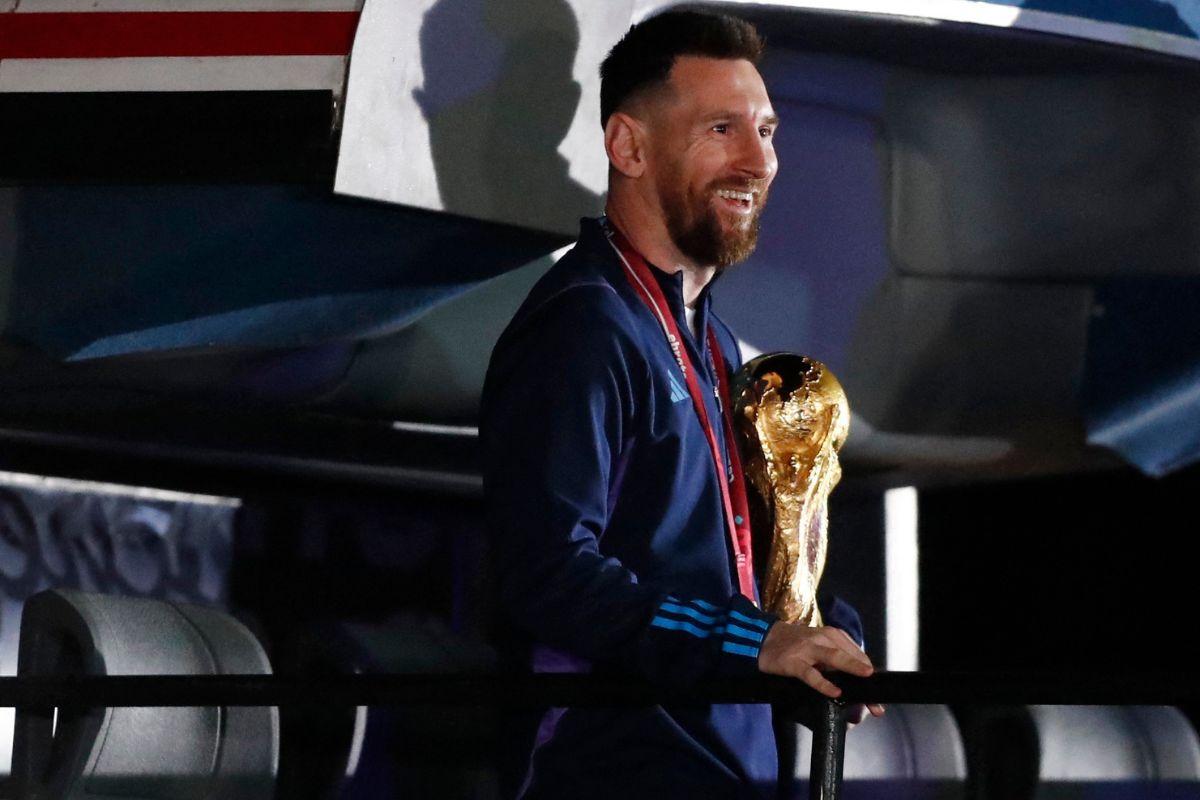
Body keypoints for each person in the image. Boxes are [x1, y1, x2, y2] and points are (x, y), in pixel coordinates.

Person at [481, 10, 882, 799]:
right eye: (722, 129)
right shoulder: (584, 326)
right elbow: (548, 573)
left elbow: (729, 579)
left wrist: (814, 627)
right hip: (608, 775)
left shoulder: (719, 348)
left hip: (728, 773)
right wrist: (752, 641)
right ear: (629, 146)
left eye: (767, 131)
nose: (758, 160)